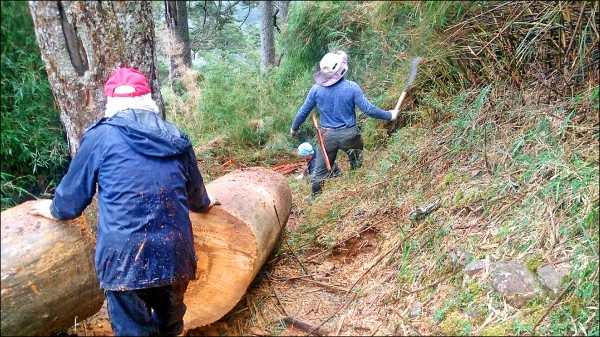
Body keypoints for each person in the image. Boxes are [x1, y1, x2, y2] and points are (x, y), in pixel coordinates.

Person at [29, 67, 219, 336]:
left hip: (123, 258)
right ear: (148, 99)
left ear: (111, 102)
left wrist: (52, 209)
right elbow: (197, 198)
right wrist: (208, 204)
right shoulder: (176, 137)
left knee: (133, 328)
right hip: (175, 253)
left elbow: (71, 201)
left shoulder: (100, 137)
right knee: (170, 321)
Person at [290, 50, 399, 198]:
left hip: (326, 137)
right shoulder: (352, 87)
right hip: (349, 135)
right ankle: (357, 191)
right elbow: (369, 109)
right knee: (356, 162)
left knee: (319, 172)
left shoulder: (316, 90)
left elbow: (303, 111)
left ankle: (314, 198)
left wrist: (294, 128)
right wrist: (389, 115)